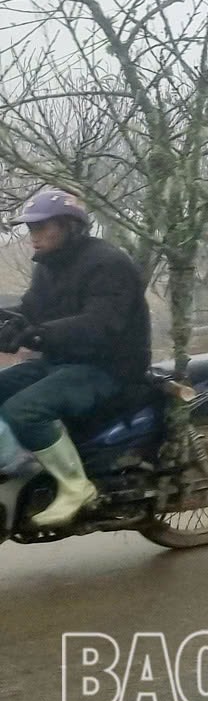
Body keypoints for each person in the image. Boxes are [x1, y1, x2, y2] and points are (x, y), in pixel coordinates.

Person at [0, 188, 152, 526]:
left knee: (23, 411)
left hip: (109, 368)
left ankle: (74, 485)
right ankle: (24, 470)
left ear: (69, 226)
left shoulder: (109, 263)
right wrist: (8, 323)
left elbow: (100, 325)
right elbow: (30, 311)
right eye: (30, 229)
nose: (33, 237)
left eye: (42, 228)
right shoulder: (49, 266)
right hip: (62, 362)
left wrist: (37, 334)